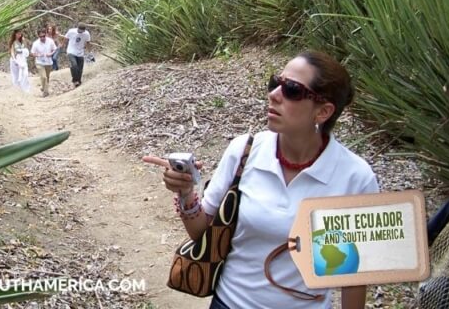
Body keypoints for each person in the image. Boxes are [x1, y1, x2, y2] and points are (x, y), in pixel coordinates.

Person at [143, 51, 379, 309]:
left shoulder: (355, 178)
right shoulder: (245, 151)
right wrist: (187, 192)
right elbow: (202, 231)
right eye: (274, 82)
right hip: (230, 303)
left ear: (323, 111)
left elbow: (353, 277)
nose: (274, 94)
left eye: (291, 89)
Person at [62, 22, 91, 87]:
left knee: (80, 68)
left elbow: (88, 42)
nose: (80, 32)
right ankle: (75, 80)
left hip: (80, 52)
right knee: (74, 65)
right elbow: (66, 38)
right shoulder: (71, 31)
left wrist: (89, 52)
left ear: (84, 30)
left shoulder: (86, 34)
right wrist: (63, 45)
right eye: (79, 30)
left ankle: (79, 80)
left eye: (82, 31)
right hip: (71, 51)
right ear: (77, 28)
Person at [31, 28, 56, 97]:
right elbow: (32, 53)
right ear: (38, 36)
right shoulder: (35, 43)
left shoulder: (50, 41)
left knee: (47, 77)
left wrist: (51, 54)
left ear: (46, 34)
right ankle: (46, 92)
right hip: (39, 62)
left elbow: (54, 49)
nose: (42, 38)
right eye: (40, 36)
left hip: (48, 62)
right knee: (43, 77)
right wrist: (38, 55)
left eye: (43, 36)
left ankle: (43, 87)